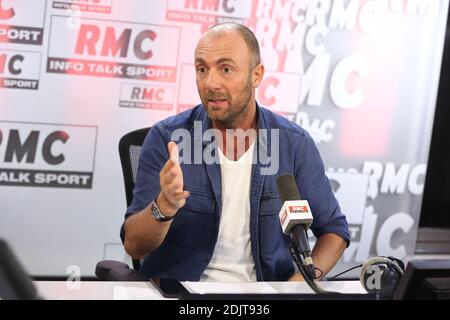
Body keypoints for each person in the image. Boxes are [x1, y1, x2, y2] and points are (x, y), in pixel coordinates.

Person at [121, 23, 349, 282]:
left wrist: (300, 283)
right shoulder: (167, 138)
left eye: (226, 69)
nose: (210, 82)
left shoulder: (294, 144)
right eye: (202, 69)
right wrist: (164, 206)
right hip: (182, 295)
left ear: (256, 75)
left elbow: (334, 231)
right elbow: (134, 246)